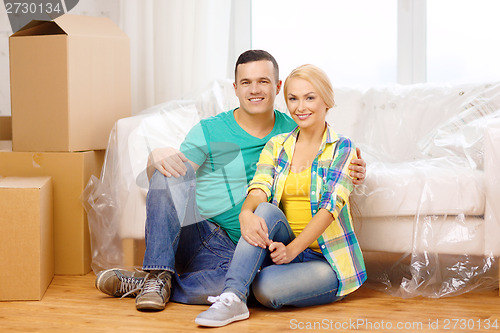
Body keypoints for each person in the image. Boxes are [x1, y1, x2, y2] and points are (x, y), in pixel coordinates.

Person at [94, 50, 367, 312]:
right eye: (246, 82)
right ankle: (157, 272)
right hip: (200, 233)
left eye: (263, 81)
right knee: (170, 174)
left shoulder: (293, 131)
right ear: (235, 88)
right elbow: (173, 180)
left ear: (277, 86)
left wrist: (355, 167)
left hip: (245, 252)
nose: (255, 89)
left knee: (240, 287)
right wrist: (155, 158)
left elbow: (327, 156)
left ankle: (151, 285)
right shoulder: (211, 129)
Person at [194, 64, 367, 327]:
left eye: (310, 97)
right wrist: (245, 213)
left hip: (325, 257)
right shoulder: (278, 145)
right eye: (293, 99)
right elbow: (260, 186)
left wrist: (291, 251)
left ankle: (216, 289)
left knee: (264, 288)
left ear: (326, 101)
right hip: (283, 245)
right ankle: (233, 296)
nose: (301, 107)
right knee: (262, 211)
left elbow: (330, 208)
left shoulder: (342, 148)